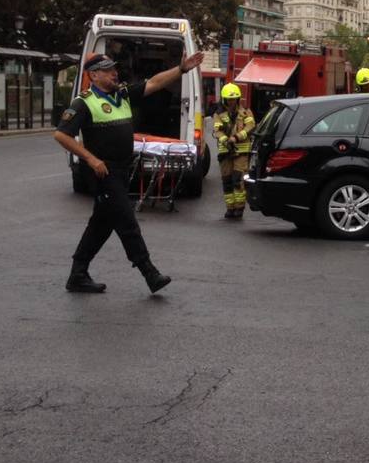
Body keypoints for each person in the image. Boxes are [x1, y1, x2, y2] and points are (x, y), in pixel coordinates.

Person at [54, 50, 205, 294]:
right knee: (127, 221)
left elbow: (154, 83)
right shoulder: (83, 103)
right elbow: (61, 134)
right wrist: (91, 160)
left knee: (101, 225)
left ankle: (77, 274)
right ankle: (149, 273)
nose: (115, 73)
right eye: (108, 70)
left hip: (122, 170)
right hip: (104, 172)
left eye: (115, 69)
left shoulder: (121, 95)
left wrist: (181, 69)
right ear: (93, 75)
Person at [214, 83, 255, 220]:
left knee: (238, 180)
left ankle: (239, 208)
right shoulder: (219, 114)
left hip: (241, 152)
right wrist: (226, 140)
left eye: (234, 99)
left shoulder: (245, 112)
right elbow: (217, 131)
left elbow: (250, 126)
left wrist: (237, 137)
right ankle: (230, 208)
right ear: (224, 99)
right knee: (227, 181)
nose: (232, 102)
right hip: (225, 152)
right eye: (229, 99)